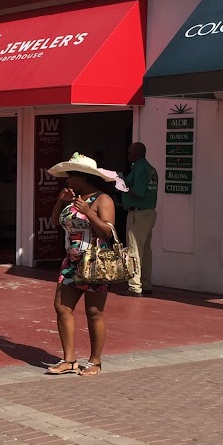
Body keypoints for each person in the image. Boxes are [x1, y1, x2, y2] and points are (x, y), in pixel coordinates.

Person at [45, 153, 119, 377]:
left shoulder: (102, 200)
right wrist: (60, 201)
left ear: (82, 177)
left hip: (96, 262)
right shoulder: (72, 198)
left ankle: (95, 361)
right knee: (62, 307)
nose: (67, 180)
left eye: (70, 176)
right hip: (72, 261)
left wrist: (88, 212)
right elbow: (55, 221)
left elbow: (108, 231)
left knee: (94, 311)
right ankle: (69, 359)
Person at [121, 142, 158, 297]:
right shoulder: (150, 169)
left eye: (130, 153)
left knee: (134, 249)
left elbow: (138, 192)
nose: (128, 156)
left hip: (138, 213)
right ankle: (146, 283)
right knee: (146, 250)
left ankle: (134, 287)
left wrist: (122, 187)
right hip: (149, 212)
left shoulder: (140, 169)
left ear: (136, 154)